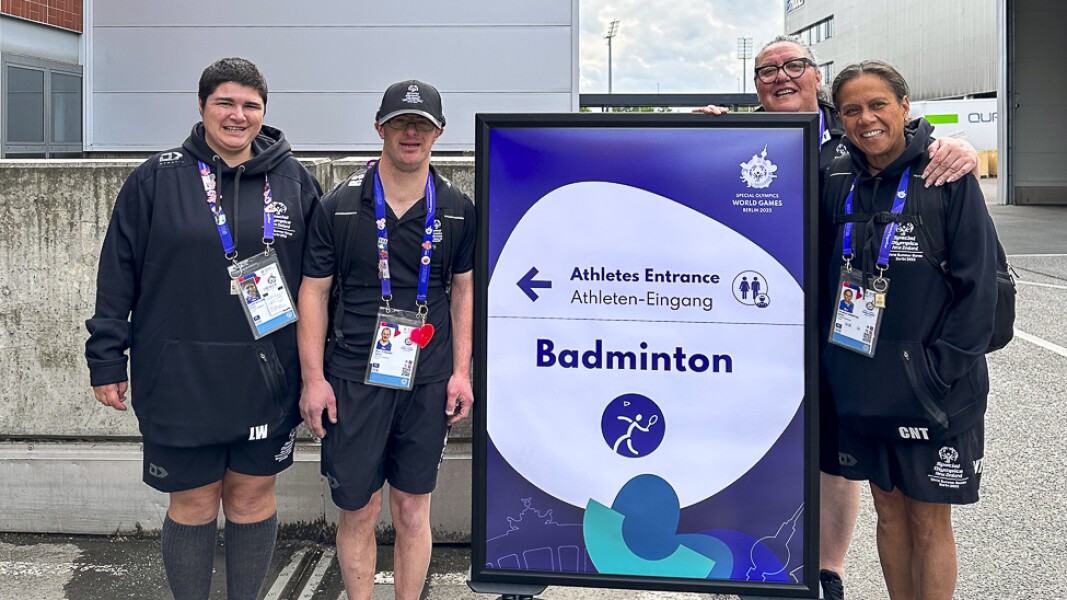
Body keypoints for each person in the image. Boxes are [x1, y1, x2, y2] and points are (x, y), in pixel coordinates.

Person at [697, 36, 980, 600]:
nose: (782, 76)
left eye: (795, 65)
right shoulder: (751, 137)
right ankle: (757, 561)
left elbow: (977, 286)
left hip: (902, 361)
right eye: (767, 70)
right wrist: (702, 136)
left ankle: (829, 569)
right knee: (865, 491)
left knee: (900, 502)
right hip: (809, 340)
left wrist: (958, 148)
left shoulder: (860, 151)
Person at [85, 58, 322, 600]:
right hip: (179, 376)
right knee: (192, 503)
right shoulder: (156, 179)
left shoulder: (294, 181)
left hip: (266, 374)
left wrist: (319, 370)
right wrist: (106, 358)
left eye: (250, 105)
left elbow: (318, 282)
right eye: (225, 103)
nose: (237, 116)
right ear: (201, 106)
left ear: (264, 112)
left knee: (251, 499)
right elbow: (116, 274)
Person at [823, 60, 996, 600]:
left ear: (904, 106)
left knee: (929, 522)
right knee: (889, 514)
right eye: (852, 109)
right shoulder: (838, 176)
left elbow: (980, 288)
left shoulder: (945, 174)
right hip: (863, 383)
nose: (866, 119)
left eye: (878, 105)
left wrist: (936, 372)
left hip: (933, 388)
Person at [298, 79, 476, 600]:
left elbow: (463, 293)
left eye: (422, 124)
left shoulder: (457, 209)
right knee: (359, 509)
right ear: (380, 127)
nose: (411, 132)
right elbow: (314, 293)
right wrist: (314, 379)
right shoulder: (340, 207)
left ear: (439, 133)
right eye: (400, 121)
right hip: (354, 377)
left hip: (428, 379)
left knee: (412, 508)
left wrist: (461, 372)